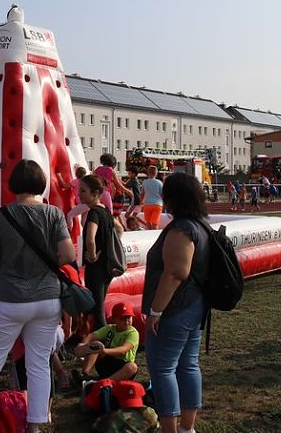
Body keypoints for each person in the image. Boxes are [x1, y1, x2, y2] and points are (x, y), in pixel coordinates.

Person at [0, 159, 75, 433]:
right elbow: (69, 255)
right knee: (38, 363)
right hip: (48, 298)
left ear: (14, 183)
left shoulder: (1, 216)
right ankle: (35, 425)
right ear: (40, 183)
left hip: (9, 297)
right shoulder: (54, 214)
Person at [142, 172, 210, 433]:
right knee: (188, 364)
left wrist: (156, 310)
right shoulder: (201, 225)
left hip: (174, 309)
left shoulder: (182, 229)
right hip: (193, 305)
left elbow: (175, 273)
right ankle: (187, 427)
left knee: (162, 369)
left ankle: (169, 427)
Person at [81, 174, 118, 329]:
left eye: (83, 191)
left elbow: (90, 238)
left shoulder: (94, 213)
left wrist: (92, 255)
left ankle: (102, 345)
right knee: (99, 305)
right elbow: (120, 229)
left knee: (98, 310)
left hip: (96, 267)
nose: (79, 194)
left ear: (95, 193)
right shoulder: (106, 211)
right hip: (107, 266)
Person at [74, 302, 139, 381]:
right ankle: (85, 374)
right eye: (122, 318)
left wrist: (104, 350)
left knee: (132, 367)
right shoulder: (110, 328)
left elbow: (123, 349)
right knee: (95, 345)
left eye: (129, 318)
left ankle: (106, 382)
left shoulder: (133, 333)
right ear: (114, 319)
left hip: (122, 366)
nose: (126, 321)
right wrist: (83, 344)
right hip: (107, 364)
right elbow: (91, 336)